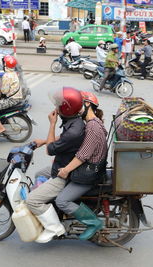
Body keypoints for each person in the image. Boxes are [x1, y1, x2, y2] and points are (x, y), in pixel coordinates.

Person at [26, 87, 86, 243]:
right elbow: (62, 139)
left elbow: (50, 150)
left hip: (65, 174)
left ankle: (54, 228)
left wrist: (52, 124)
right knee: (39, 173)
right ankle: (48, 209)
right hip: (61, 166)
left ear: (66, 108)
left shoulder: (74, 131)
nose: (56, 107)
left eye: (59, 105)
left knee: (31, 200)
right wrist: (44, 140)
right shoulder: (76, 122)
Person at [55, 91, 107, 241]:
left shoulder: (92, 127)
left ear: (87, 104)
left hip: (88, 175)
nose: (75, 108)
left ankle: (93, 223)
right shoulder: (93, 122)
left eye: (78, 105)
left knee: (62, 201)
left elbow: (82, 156)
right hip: (90, 169)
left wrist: (66, 170)